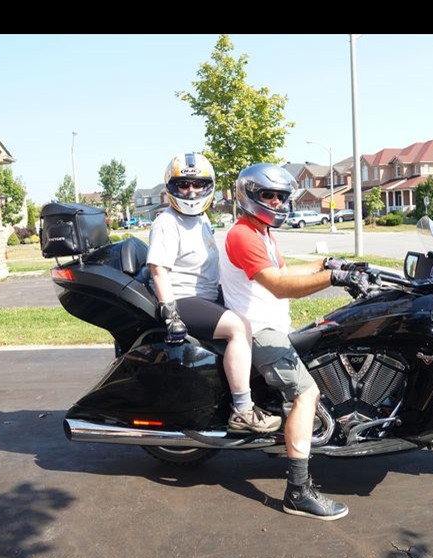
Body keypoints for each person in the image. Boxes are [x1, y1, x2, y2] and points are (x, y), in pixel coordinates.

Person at [219, 163, 369, 521]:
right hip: (259, 330)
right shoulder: (243, 234)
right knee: (306, 393)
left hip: (272, 324)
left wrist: (325, 262)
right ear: (247, 195)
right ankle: (298, 491)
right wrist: (332, 277)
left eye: (280, 196)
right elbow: (279, 285)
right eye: (267, 194)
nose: (274, 201)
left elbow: (285, 272)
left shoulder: (262, 233)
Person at [146, 153, 281, 433]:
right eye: (183, 185)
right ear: (171, 187)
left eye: (198, 184)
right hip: (183, 298)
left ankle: (265, 394)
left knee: (254, 318)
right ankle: (242, 410)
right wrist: (170, 313)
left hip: (205, 296)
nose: (191, 191)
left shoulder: (201, 219)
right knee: (238, 327)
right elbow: (159, 270)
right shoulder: (167, 222)